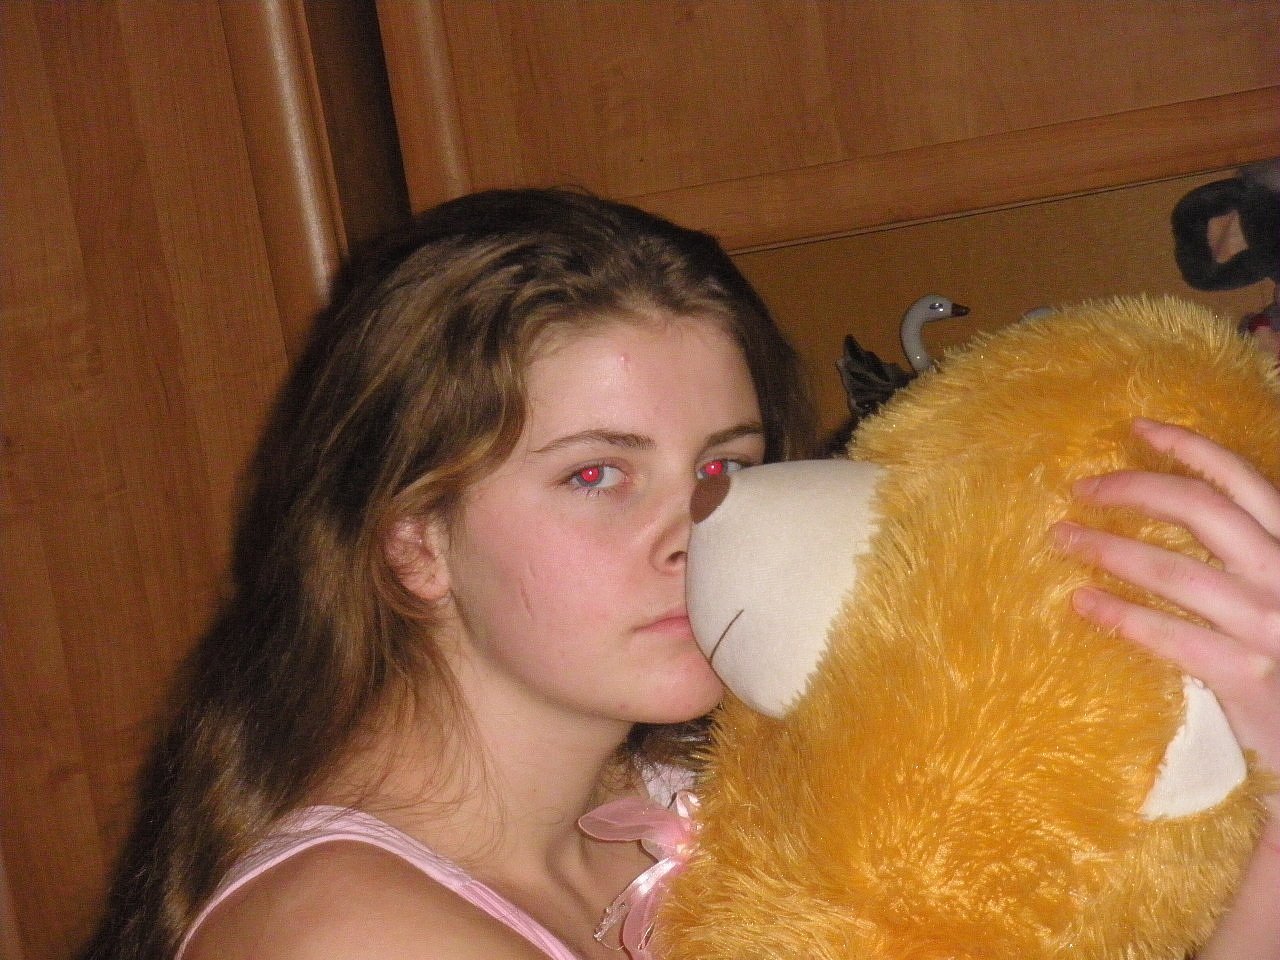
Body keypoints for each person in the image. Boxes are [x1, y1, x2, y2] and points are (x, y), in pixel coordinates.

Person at [79, 188, 1278, 960]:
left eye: (721, 468)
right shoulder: (349, 936)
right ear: (413, 540)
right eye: (596, 474)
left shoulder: (690, 790)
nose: (691, 534)